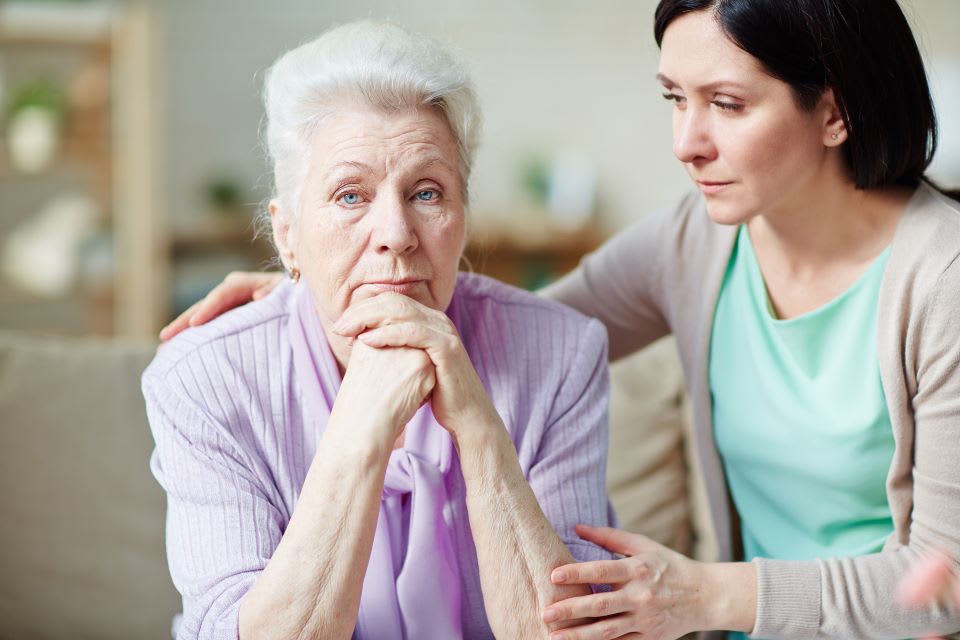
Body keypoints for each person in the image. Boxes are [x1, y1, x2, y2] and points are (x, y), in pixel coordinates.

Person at [163, 0, 960, 638]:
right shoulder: (695, 243)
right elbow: (506, 335)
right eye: (674, 99)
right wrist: (317, 292)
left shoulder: (943, 279)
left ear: (835, 111)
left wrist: (708, 595)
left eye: (725, 103)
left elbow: (946, 584)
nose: (686, 142)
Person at [144, 21, 616, 640]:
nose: (395, 232)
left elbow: (575, 633)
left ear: (463, 221)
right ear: (287, 234)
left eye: (426, 192)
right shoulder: (203, 378)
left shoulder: (561, 353)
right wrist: (360, 432)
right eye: (349, 195)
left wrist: (478, 428)